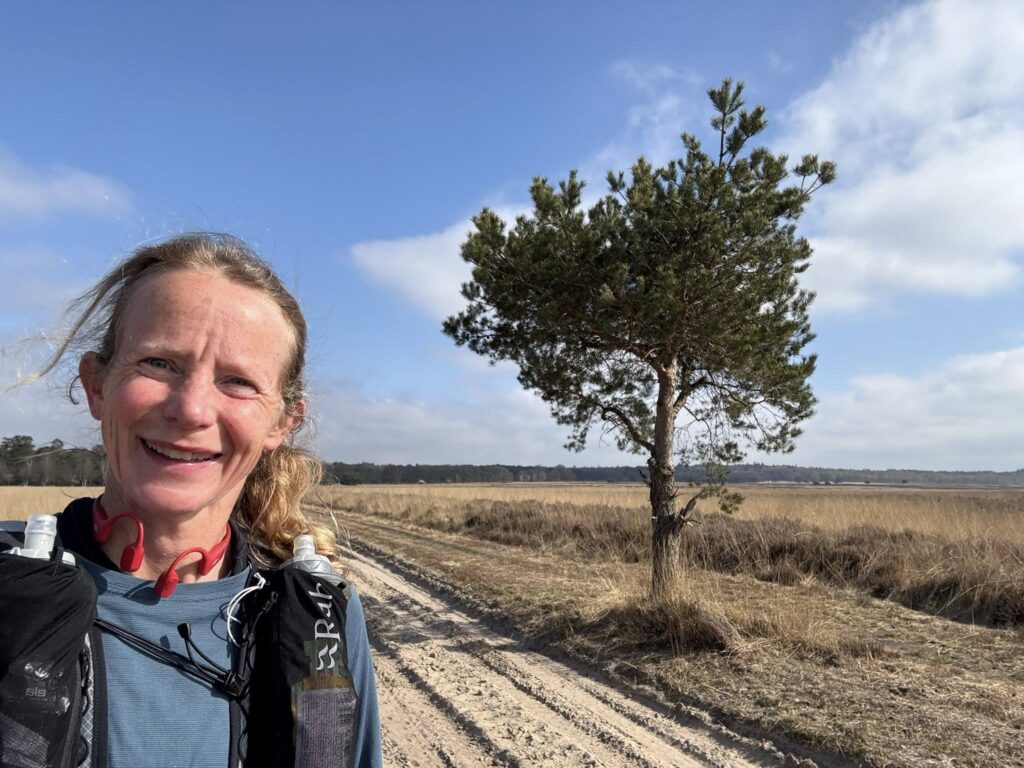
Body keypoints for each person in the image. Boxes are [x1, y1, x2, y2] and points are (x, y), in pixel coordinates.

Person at [0, 233, 382, 768]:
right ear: (97, 386)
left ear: (282, 422)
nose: (192, 409)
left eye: (238, 381)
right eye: (159, 363)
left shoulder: (319, 617)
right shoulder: (12, 586)